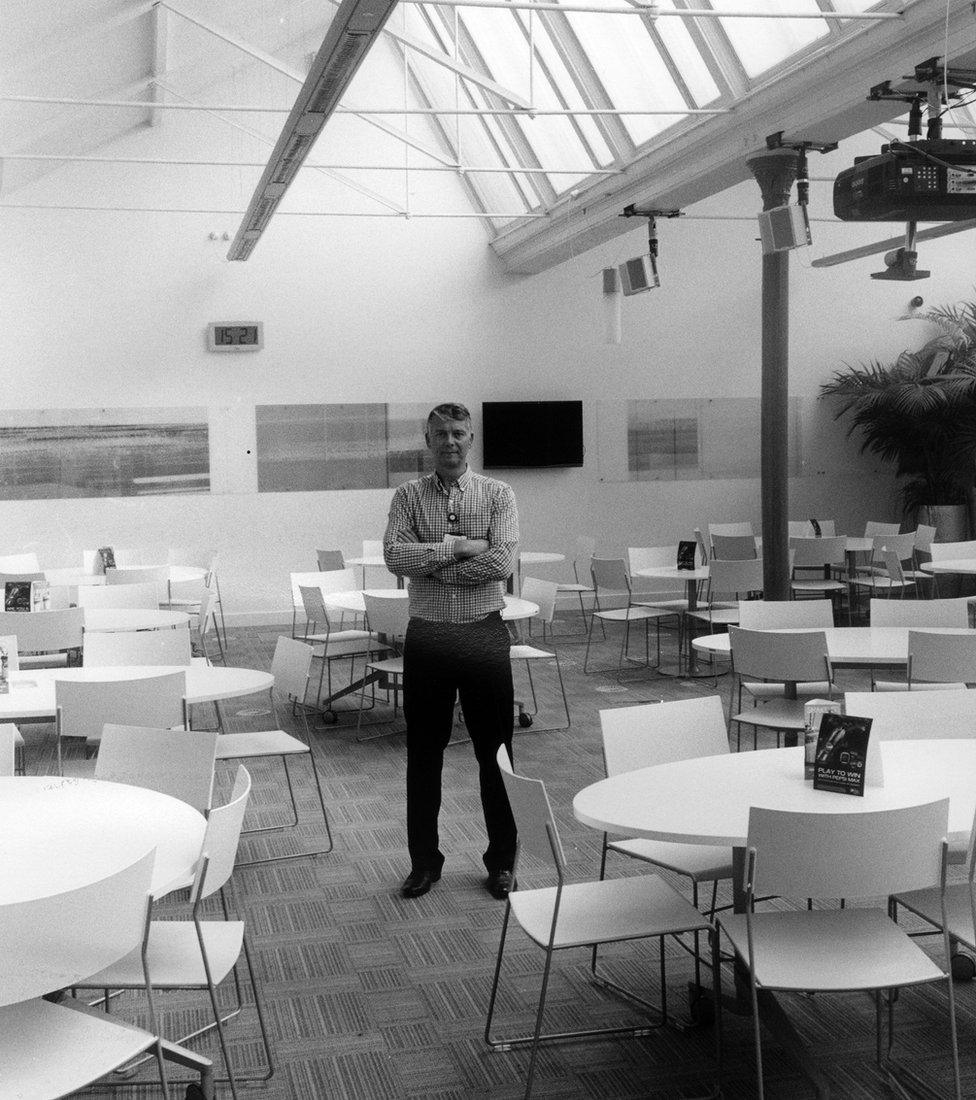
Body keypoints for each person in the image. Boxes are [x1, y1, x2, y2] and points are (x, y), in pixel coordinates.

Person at [383, 402, 519, 900]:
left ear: (471, 438)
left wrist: (433, 563)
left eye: (459, 433)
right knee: (423, 756)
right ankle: (424, 864)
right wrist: (459, 549)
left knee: (497, 756)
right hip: (430, 637)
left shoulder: (499, 494)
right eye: (440, 434)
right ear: (427, 439)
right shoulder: (408, 495)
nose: (450, 442)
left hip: (483, 634)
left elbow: (502, 560)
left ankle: (502, 862)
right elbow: (395, 556)